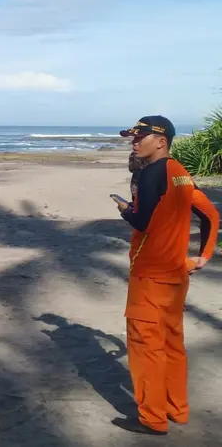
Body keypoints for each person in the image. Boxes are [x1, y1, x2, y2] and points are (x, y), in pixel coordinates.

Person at [110, 116, 220, 436]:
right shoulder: (180, 173)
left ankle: (153, 418)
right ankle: (177, 409)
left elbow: (142, 221)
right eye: (132, 136)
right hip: (176, 275)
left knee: (146, 348)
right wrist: (203, 257)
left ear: (161, 141)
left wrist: (124, 209)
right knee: (172, 344)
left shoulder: (152, 172)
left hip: (149, 277)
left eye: (140, 136)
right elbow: (211, 215)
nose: (134, 141)